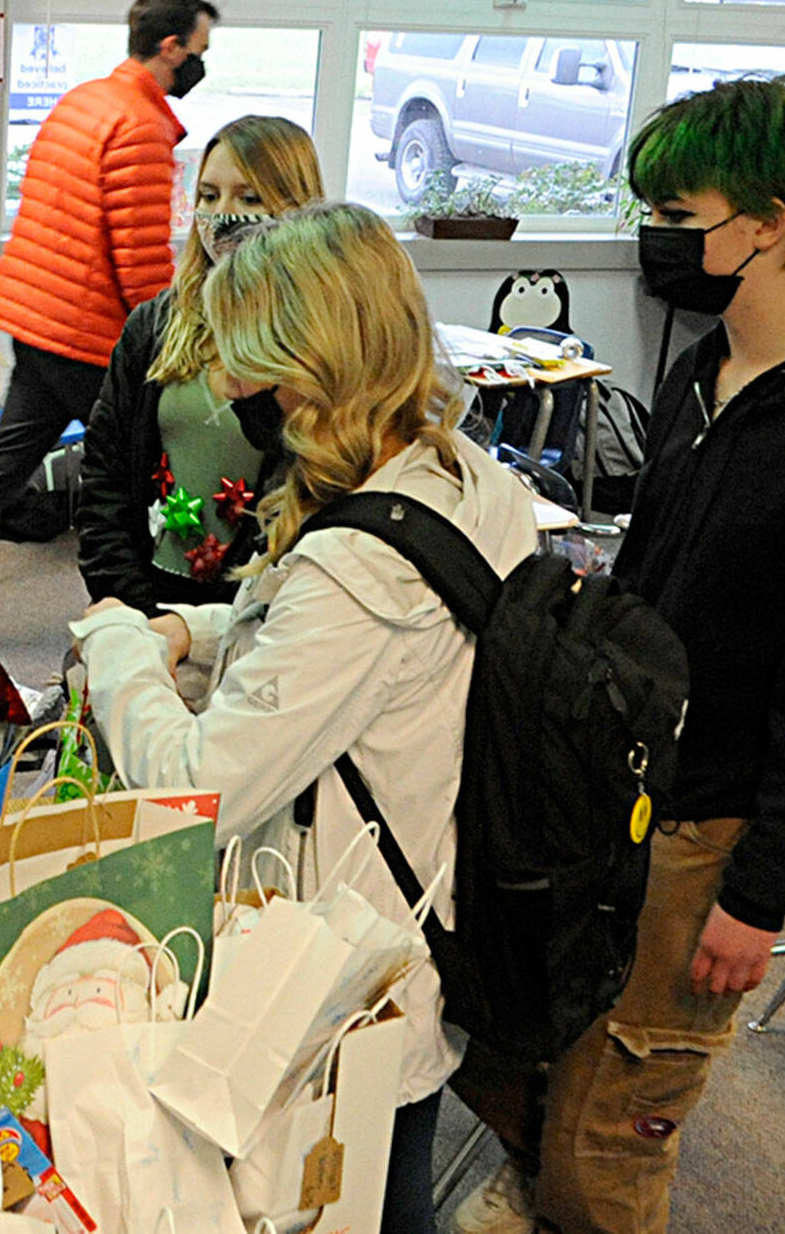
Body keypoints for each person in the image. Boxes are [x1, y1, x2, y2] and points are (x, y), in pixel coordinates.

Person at [451, 81, 785, 1234]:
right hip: (621, 793)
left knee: (613, 1127)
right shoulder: (699, 372)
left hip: (709, 828)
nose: (654, 237)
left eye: (677, 214)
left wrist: (757, 896)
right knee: (530, 1061)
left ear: (767, 224)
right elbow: (648, 590)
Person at [73, 202, 537, 1234]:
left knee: (347, 1191)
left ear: (313, 363)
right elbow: (333, 647)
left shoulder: (353, 565)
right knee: (386, 1167)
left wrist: (118, 641)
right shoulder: (464, 477)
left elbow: (195, 784)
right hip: (418, 908)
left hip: (337, 960)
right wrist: (196, 628)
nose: (238, 392)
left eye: (254, 366)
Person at [0, 0, 217, 548]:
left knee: (1, 469)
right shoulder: (141, 125)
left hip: (37, 324)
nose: (201, 65)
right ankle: (145, 585)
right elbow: (139, 262)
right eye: (199, 51)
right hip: (85, 339)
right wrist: (179, 334)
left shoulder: (83, 100)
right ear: (172, 47)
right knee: (139, 476)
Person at [76, 116, 324, 627]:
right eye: (209, 196)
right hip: (144, 598)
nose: (223, 215)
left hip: (258, 613)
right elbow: (104, 477)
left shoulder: (319, 344)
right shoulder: (156, 325)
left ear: (297, 208)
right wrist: (135, 609)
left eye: (249, 199)